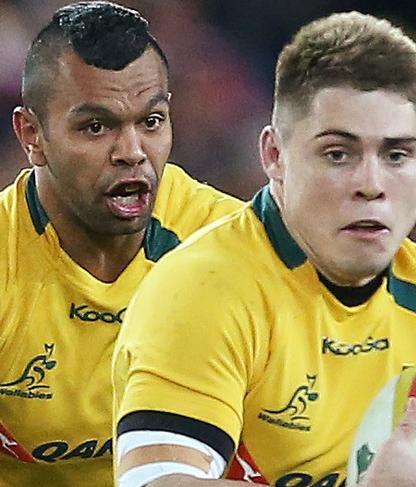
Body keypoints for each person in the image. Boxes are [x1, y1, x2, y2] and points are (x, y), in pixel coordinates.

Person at [113, 11, 416, 487]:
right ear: (274, 155)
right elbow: (156, 482)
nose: (371, 185)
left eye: (396, 154)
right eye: (338, 154)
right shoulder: (204, 288)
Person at [0, 2, 243, 486]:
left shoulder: (226, 245)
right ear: (33, 136)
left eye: (151, 121)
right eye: (96, 126)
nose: (132, 153)